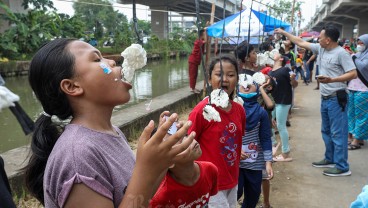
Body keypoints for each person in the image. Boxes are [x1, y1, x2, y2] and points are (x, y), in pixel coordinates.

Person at [23, 38, 196, 207]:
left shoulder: (111, 131)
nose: (112, 62)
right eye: (97, 59)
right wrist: (146, 168)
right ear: (72, 87)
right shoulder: (78, 155)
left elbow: (138, 195)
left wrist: (162, 159)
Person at [275, 24, 357, 177]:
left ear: (328, 40)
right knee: (326, 131)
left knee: (338, 133)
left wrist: (332, 79)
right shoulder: (321, 48)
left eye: (320, 37)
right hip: (325, 98)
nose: (317, 39)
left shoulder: (341, 53)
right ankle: (330, 158)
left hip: (336, 98)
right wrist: (284, 32)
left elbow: (353, 74)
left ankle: (342, 166)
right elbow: (300, 42)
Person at [188, 55, 246, 207]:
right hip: (210, 182)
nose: (225, 79)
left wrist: (238, 152)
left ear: (237, 79)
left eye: (231, 75)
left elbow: (237, 138)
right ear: (209, 78)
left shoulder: (239, 110)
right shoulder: (201, 111)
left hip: (232, 178)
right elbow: (187, 141)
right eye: (219, 74)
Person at [236, 75, 273, 208]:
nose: (246, 86)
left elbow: (265, 139)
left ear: (256, 88)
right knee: (236, 191)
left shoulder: (262, 113)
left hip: (255, 164)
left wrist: (268, 163)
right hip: (236, 163)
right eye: (242, 84)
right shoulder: (232, 110)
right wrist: (236, 150)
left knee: (253, 195)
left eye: (250, 84)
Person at [150, 137, 219, 207]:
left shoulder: (210, 170)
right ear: (168, 163)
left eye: (186, 134)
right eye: (179, 141)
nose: (190, 138)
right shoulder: (160, 197)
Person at [268, 53, 298, 162]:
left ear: (280, 58)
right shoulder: (270, 72)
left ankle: (286, 153)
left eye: (277, 53)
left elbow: (295, 84)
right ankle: (273, 145)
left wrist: (293, 79)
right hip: (274, 101)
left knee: (281, 126)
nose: (274, 53)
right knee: (269, 123)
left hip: (284, 101)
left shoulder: (286, 70)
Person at [347, 34, 368, 150]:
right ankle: (357, 137)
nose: (359, 45)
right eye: (358, 43)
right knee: (351, 114)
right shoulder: (358, 55)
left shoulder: (358, 56)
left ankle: (356, 140)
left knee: (362, 115)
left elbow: (364, 66)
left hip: (364, 89)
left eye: (362, 43)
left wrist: (354, 58)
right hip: (352, 87)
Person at [188, 29, 206, 93]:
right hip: (193, 61)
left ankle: (193, 87)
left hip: (195, 61)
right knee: (193, 74)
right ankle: (192, 88)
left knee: (195, 74)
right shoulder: (199, 41)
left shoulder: (200, 41)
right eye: (205, 35)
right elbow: (205, 41)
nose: (206, 35)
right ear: (201, 35)